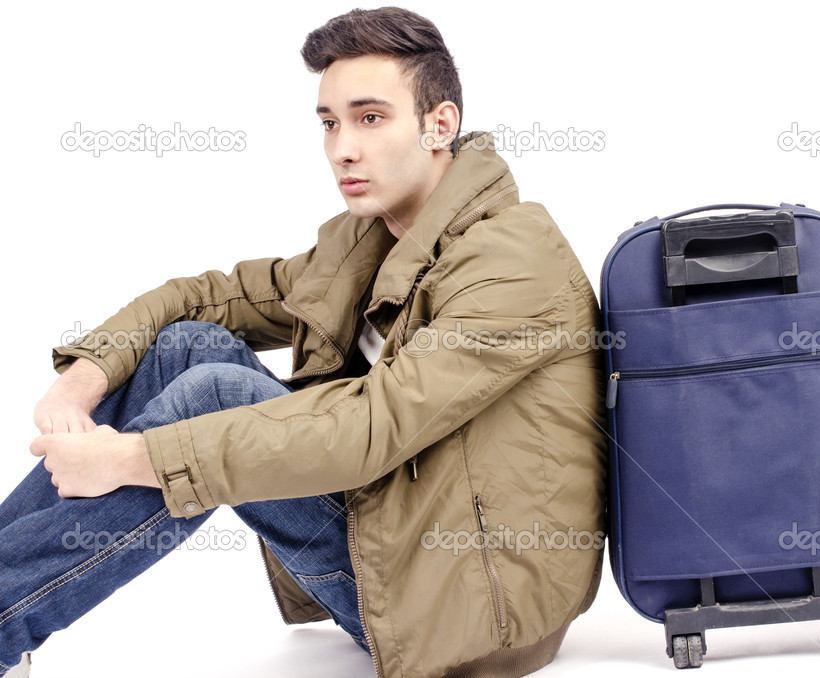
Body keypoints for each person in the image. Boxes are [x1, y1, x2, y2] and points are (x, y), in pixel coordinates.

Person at [0, 7, 607, 678]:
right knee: (187, 345)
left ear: (441, 124)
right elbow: (215, 295)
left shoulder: (515, 261)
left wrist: (133, 458)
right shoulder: (370, 238)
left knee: (215, 395)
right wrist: (86, 371)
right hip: (386, 542)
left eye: (370, 118)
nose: (342, 147)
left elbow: (374, 426)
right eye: (329, 122)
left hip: (465, 610)